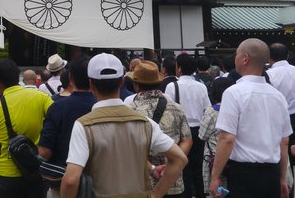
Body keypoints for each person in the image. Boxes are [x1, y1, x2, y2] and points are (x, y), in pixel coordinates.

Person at [61, 53, 187, 198]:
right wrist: (156, 194)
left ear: (91, 84)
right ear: (121, 82)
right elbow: (179, 159)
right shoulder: (145, 123)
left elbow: (71, 180)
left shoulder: (83, 125)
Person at [209, 38, 292, 198]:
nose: (235, 57)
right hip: (272, 173)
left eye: (237, 54)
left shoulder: (233, 93)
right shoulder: (278, 96)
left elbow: (227, 138)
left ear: (245, 58)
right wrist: (282, 178)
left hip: (243, 174)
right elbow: (284, 141)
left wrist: (215, 176)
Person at [0, 58, 53, 198]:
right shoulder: (42, 98)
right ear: (17, 77)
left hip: (5, 175)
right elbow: (56, 120)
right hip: (36, 170)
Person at [129, 61, 193, 198]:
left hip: (143, 181)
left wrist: (151, 168)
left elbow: (129, 149)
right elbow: (187, 140)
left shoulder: (130, 110)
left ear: (136, 85)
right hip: (172, 180)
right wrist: (172, 162)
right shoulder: (176, 107)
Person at [38, 56, 96, 198]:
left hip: (63, 181)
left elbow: (45, 151)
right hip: (102, 183)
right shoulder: (101, 106)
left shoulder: (57, 107)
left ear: (70, 77)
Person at [165, 53, 210, 198]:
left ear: (178, 68)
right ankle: (200, 194)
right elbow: (207, 109)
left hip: (180, 132)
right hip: (198, 131)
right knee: (198, 167)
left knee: (181, 166)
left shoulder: (172, 86)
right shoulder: (201, 86)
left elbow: (168, 110)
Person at [267, 42, 295, 188]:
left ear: (269, 58)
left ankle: (285, 186)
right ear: (287, 56)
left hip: (280, 120)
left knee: (283, 157)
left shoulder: (269, 75)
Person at [198, 77, 234, 195]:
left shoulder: (211, 111)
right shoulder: (236, 109)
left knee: (213, 190)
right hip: (232, 157)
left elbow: (202, 135)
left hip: (212, 158)